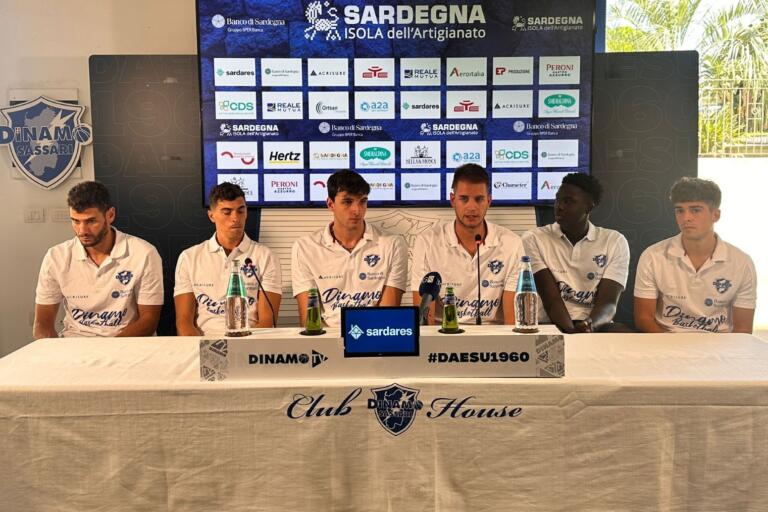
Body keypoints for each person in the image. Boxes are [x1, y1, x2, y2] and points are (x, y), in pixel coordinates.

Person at [33, 181, 164, 338]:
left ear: (110, 215)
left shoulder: (143, 253)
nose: (82, 231)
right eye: (76, 221)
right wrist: (54, 351)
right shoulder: (56, 256)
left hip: (126, 344)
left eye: (91, 221)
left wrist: (106, 349)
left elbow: (149, 321)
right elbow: (42, 325)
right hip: (74, 343)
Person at [634, 177, 756, 333]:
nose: (686, 218)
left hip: (719, 344)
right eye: (680, 210)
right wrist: (672, 346)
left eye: (695, 210)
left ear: (716, 215)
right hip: (666, 340)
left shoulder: (742, 262)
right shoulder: (653, 256)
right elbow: (644, 319)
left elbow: (743, 328)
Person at [411, 164, 525, 325]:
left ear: (489, 201)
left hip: (494, 336)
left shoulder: (512, 243)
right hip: (443, 334)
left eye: (479, 199)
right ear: (453, 200)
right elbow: (424, 320)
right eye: (464, 199)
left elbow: (512, 321)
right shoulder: (427, 242)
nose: (472, 207)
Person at [291, 169, 407, 327]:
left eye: (362, 201)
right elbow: (309, 320)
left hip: (375, 335)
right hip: (326, 337)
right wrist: (334, 341)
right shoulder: (305, 247)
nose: (357, 210)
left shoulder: (393, 244)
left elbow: (387, 317)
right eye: (347, 202)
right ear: (330, 204)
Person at [521, 173, 630, 333]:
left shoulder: (614, 241)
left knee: (626, 334)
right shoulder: (534, 238)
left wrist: (588, 326)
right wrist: (573, 333)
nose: (559, 206)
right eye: (558, 200)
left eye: (568, 201)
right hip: (550, 325)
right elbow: (551, 300)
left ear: (589, 206)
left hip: (594, 325)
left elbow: (608, 303)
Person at [174, 182, 282, 335]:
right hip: (204, 342)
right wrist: (202, 347)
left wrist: (244, 346)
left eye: (240, 211)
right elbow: (184, 321)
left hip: (250, 341)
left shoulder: (266, 256)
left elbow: (267, 321)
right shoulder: (189, 257)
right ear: (211, 216)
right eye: (227, 212)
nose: (235, 218)